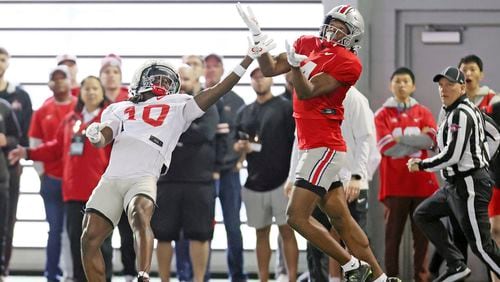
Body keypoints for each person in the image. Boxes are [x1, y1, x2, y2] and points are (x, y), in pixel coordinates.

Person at [81, 39, 264, 281]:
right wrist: (95, 135)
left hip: (143, 176)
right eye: (157, 79)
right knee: (89, 238)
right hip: (112, 178)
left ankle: (143, 274)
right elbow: (105, 137)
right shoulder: (118, 108)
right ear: (140, 80)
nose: (162, 85)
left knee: (139, 213)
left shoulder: (180, 104)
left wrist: (248, 58)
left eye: (168, 82)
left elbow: (218, 89)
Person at [237, 3, 390, 281]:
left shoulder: (349, 62)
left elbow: (306, 92)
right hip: (313, 146)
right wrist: (257, 37)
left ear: (352, 35)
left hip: (324, 147)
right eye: (331, 23)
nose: (333, 29)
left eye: (341, 27)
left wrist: (296, 66)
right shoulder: (307, 43)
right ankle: (379, 277)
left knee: (295, 217)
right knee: (342, 220)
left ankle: (353, 267)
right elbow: (270, 68)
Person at [8, 76, 113, 282]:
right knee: (77, 244)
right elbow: (56, 148)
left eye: (95, 88)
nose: (91, 92)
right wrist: (28, 153)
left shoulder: (110, 120)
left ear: (102, 93)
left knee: (101, 245)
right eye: (87, 89)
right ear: (80, 93)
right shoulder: (71, 120)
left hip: (101, 193)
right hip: (73, 192)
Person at [410, 66, 500, 282]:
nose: (443, 89)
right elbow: (495, 135)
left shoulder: (461, 113)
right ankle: (456, 264)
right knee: (423, 214)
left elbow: (452, 155)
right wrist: (481, 157)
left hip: (469, 184)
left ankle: (456, 264)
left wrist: (421, 165)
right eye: (441, 85)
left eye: (450, 85)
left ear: (462, 87)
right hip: (454, 185)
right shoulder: (460, 110)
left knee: (481, 245)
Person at [152, 64, 219, 282]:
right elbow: (157, 135)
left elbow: (206, 133)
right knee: (162, 235)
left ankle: (199, 280)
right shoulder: (161, 106)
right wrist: (187, 130)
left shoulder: (208, 102)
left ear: (196, 80)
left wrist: (175, 130)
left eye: (187, 79)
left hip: (199, 182)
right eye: (178, 79)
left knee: (199, 236)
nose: (183, 83)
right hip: (166, 181)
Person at [374, 67, 439, 281]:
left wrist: (400, 139)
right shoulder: (381, 114)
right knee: (392, 238)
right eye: (397, 81)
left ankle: (421, 277)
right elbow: (385, 147)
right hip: (395, 185)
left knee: (423, 238)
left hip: (422, 184)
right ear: (390, 85)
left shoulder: (423, 111)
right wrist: (414, 142)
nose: (402, 85)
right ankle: (391, 277)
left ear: (413, 86)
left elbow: (430, 141)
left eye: (406, 81)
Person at [234, 66, 298, 281]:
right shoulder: (243, 112)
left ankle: (291, 278)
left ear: (272, 80)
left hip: (282, 181)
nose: (259, 81)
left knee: (287, 231)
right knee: (261, 233)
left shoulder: (285, 108)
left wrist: (294, 179)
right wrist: (240, 148)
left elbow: (297, 145)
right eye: (254, 78)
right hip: (254, 182)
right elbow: (237, 144)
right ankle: (263, 278)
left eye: (263, 77)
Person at [29, 65, 77, 282]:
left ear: (70, 81)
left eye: (62, 78)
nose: (58, 82)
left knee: (75, 231)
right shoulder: (42, 111)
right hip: (51, 181)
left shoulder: (78, 108)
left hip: (76, 182)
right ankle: (51, 274)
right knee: (54, 230)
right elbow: (35, 144)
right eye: (54, 79)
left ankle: (74, 274)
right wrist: (42, 175)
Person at [204, 53, 247, 282]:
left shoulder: (236, 101)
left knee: (233, 227)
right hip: (205, 176)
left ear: (222, 70)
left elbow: (245, 134)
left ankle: (237, 275)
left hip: (230, 174)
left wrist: (240, 161)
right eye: (207, 66)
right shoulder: (198, 100)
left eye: (215, 66)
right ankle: (202, 275)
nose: (211, 70)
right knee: (203, 229)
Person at [98, 52, 136, 281]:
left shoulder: (131, 100)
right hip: (100, 174)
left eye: (115, 72)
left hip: (128, 172)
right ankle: (105, 274)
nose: (111, 76)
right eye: (106, 72)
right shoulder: (92, 97)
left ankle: (131, 272)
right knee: (102, 230)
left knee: (128, 228)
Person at [0, 46, 32, 280]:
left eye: (2, 59)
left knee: (7, 221)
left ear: (8, 63)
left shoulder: (19, 97)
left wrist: (7, 141)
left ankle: (3, 268)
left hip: (9, 169)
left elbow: (24, 135)